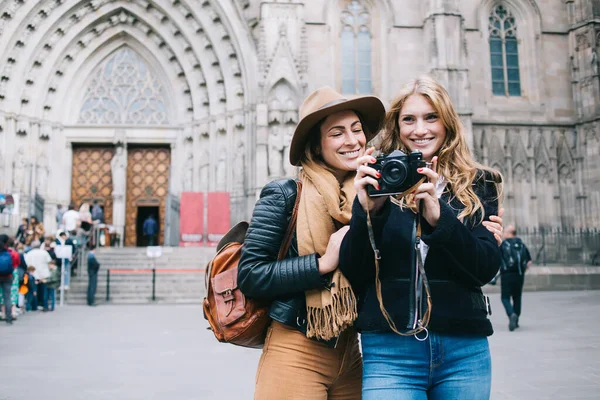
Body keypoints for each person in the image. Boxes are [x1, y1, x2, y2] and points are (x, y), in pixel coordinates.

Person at [340, 76, 504, 399]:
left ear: (447, 123)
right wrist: (367, 212)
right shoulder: (380, 179)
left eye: (431, 117)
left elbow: (484, 268)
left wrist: (440, 218)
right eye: (409, 119)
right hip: (391, 349)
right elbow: (354, 271)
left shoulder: (479, 184)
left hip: (463, 349)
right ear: (397, 126)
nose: (420, 130)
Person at [499, 224, 532, 331]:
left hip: (506, 275)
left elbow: (498, 259)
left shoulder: (504, 245)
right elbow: (529, 262)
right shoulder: (521, 245)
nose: (503, 233)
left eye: (504, 231)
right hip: (519, 275)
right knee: (517, 297)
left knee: (505, 297)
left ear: (509, 233)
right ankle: (516, 319)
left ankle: (511, 314)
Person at [25, 240, 52, 311]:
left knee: (33, 291)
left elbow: (26, 263)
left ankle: (34, 306)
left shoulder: (29, 253)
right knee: (44, 291)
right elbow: (49, 262)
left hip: (33, 274)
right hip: (43, 274)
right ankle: (45, 305)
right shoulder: (44, 253)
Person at [0, 234, 17, 324]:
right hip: (8, 276)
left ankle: (2, 313)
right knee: (7, 297)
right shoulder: (11, 253)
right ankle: (9, 317)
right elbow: (16, 263)